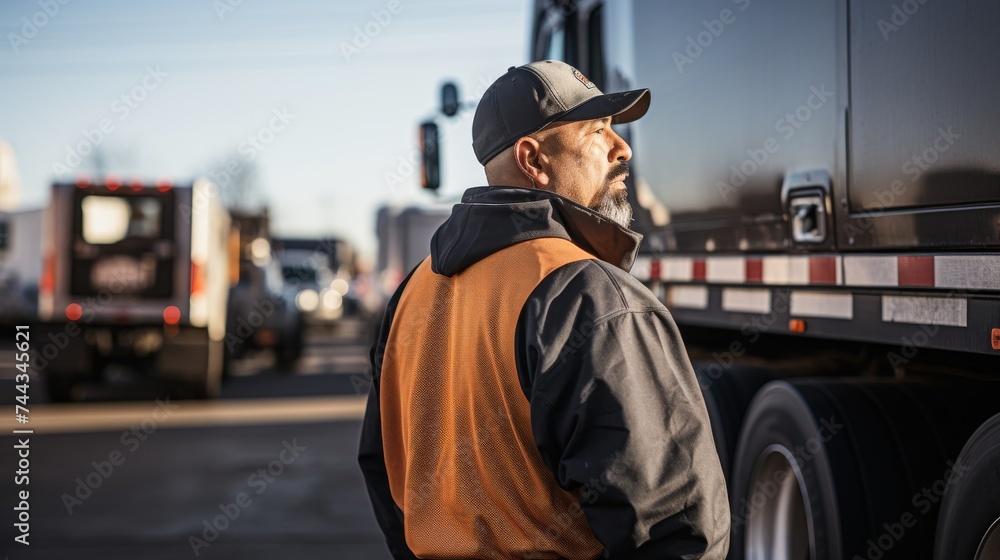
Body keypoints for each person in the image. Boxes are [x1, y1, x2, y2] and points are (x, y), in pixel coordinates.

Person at [359, 60, 730, 559]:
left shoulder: (412, 293)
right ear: (533, 159)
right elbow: (671, 525)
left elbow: (385, 473)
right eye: (597, 131)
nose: (622, 149)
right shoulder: (586, 295)